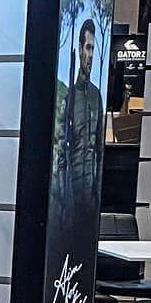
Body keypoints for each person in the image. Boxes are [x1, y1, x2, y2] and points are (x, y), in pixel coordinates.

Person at [54, 17, 107, 230]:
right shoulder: (69, 98)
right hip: (71, 200)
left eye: (93, 48)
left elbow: (100, 151)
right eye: (88, 47)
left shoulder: (96, 96)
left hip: (91, 201)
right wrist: (63, 203)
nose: (91, 55)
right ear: (80, 49)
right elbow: (60, 157)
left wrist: (97, 194)